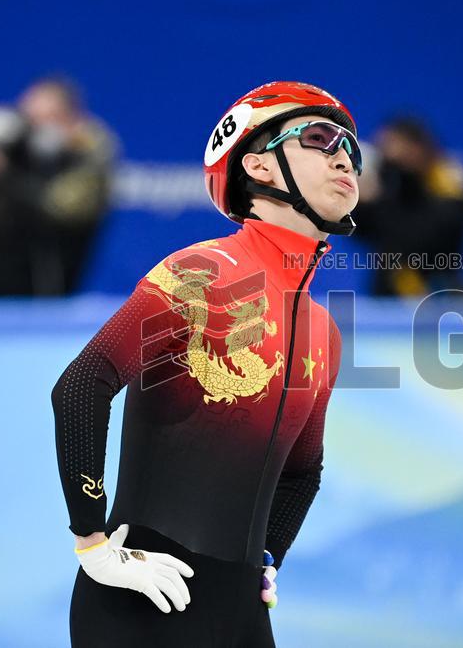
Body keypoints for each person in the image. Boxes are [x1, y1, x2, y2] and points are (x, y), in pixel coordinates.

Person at [52, 81, 360, 647]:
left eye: (352, 149)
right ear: (260, 167)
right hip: (141, 599)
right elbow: (81, 385)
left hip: (241, 613)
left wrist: (270, 556)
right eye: (319, 138)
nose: (345, 156)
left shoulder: (326, 332)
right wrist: (92, 541)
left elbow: (302, 472)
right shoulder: (202, 274)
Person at [0, 76, 115, 296]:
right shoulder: (11, 152)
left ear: (73, 121)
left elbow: (61, 208)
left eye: (48, 119)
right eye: (28, 120)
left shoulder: (89, 154)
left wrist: (4, 174)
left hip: (51, 290)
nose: (35, 130)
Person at [353, 116, 463, 295]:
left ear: (418, 147)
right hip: (388, 294)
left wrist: (377, 202)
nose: (390, 158)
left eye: (396, 148)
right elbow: (366, 234)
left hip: (438, 290)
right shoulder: (390, 179)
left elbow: (425, 239)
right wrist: (360, 202)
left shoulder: (447, 180)